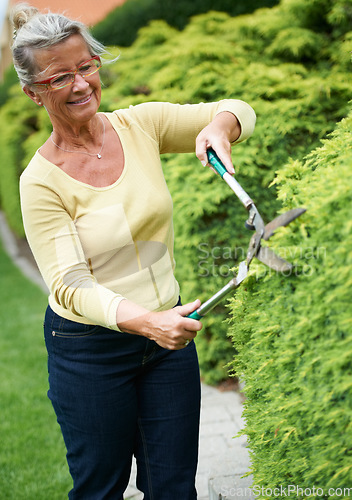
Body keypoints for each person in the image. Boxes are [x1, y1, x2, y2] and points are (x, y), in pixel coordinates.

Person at [11, 4, 256, 499]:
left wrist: (220, 126)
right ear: (33, 92)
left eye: (86, 67)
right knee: (101, 488)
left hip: (166, 347)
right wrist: (148, 322)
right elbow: (70, 284)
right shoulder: (39, 182)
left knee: (174, 487)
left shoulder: (139, 125)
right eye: (59, 78)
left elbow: (237, 109)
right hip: (89, 350)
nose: (81, 85)